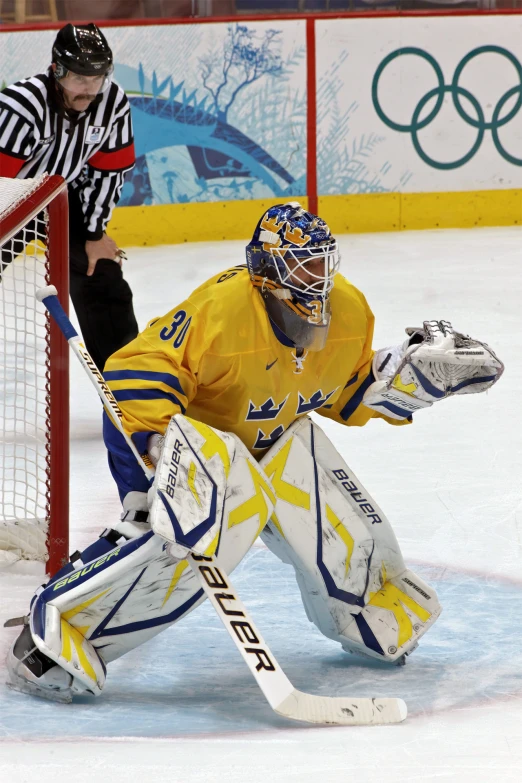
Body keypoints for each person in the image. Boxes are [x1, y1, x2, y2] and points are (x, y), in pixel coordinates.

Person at [6, 202, 503, 702]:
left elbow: (342, 388)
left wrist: (410, 379)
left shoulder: (348, 309)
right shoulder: (222, 312)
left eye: (322, 262)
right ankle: (52, 636)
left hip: (270, 440)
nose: (318, 278)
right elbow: (136, 373)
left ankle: (372, 609)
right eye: (303, 265)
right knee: (176, 544)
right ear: (266, 269)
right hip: (186, 444)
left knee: (332, 507)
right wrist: (160, 448)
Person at [0, 23, 138, 372]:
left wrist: (93, 234)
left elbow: (111, 170)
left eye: (97, 78)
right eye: (79, 78)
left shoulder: (112, 102)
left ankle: (128, 384)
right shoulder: (21, 108)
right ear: (56, 70)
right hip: (9, 197)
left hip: (59, 198)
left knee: (101, 270)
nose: (89, 89)